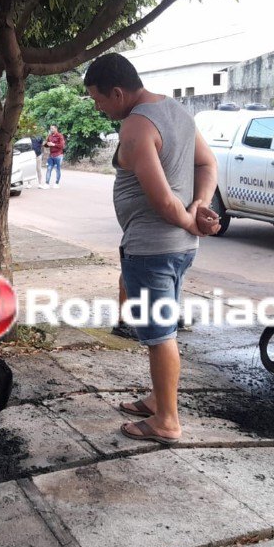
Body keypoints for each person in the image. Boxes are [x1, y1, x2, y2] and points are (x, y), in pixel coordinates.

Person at [84, 52, 220, 445]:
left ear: (117, 92)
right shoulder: (177, 110)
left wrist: (192, 216)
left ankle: (167, 421)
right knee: (160, 330)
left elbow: (161, 201)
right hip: (178, 248)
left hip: (152, 250)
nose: (98, 107)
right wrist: (200, 207)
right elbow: (207, 164)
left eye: (98, 99)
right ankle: (159, 400)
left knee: (160, 336)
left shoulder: (136, 126)